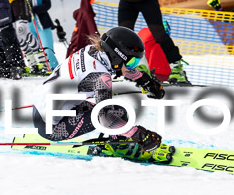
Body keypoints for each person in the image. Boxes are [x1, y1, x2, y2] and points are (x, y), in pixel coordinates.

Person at [31, 26, 168, 159]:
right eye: (132, 62)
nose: (132, 66)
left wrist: (146, 81)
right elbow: (105, 118)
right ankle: (121, 149)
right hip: (52, 127)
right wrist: (140, 135)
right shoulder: (101, 77)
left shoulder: (92, 51)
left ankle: (118, 142)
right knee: (116, 113)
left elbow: (122, 67)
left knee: (114, 110)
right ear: (116, 57)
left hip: (40, 107)